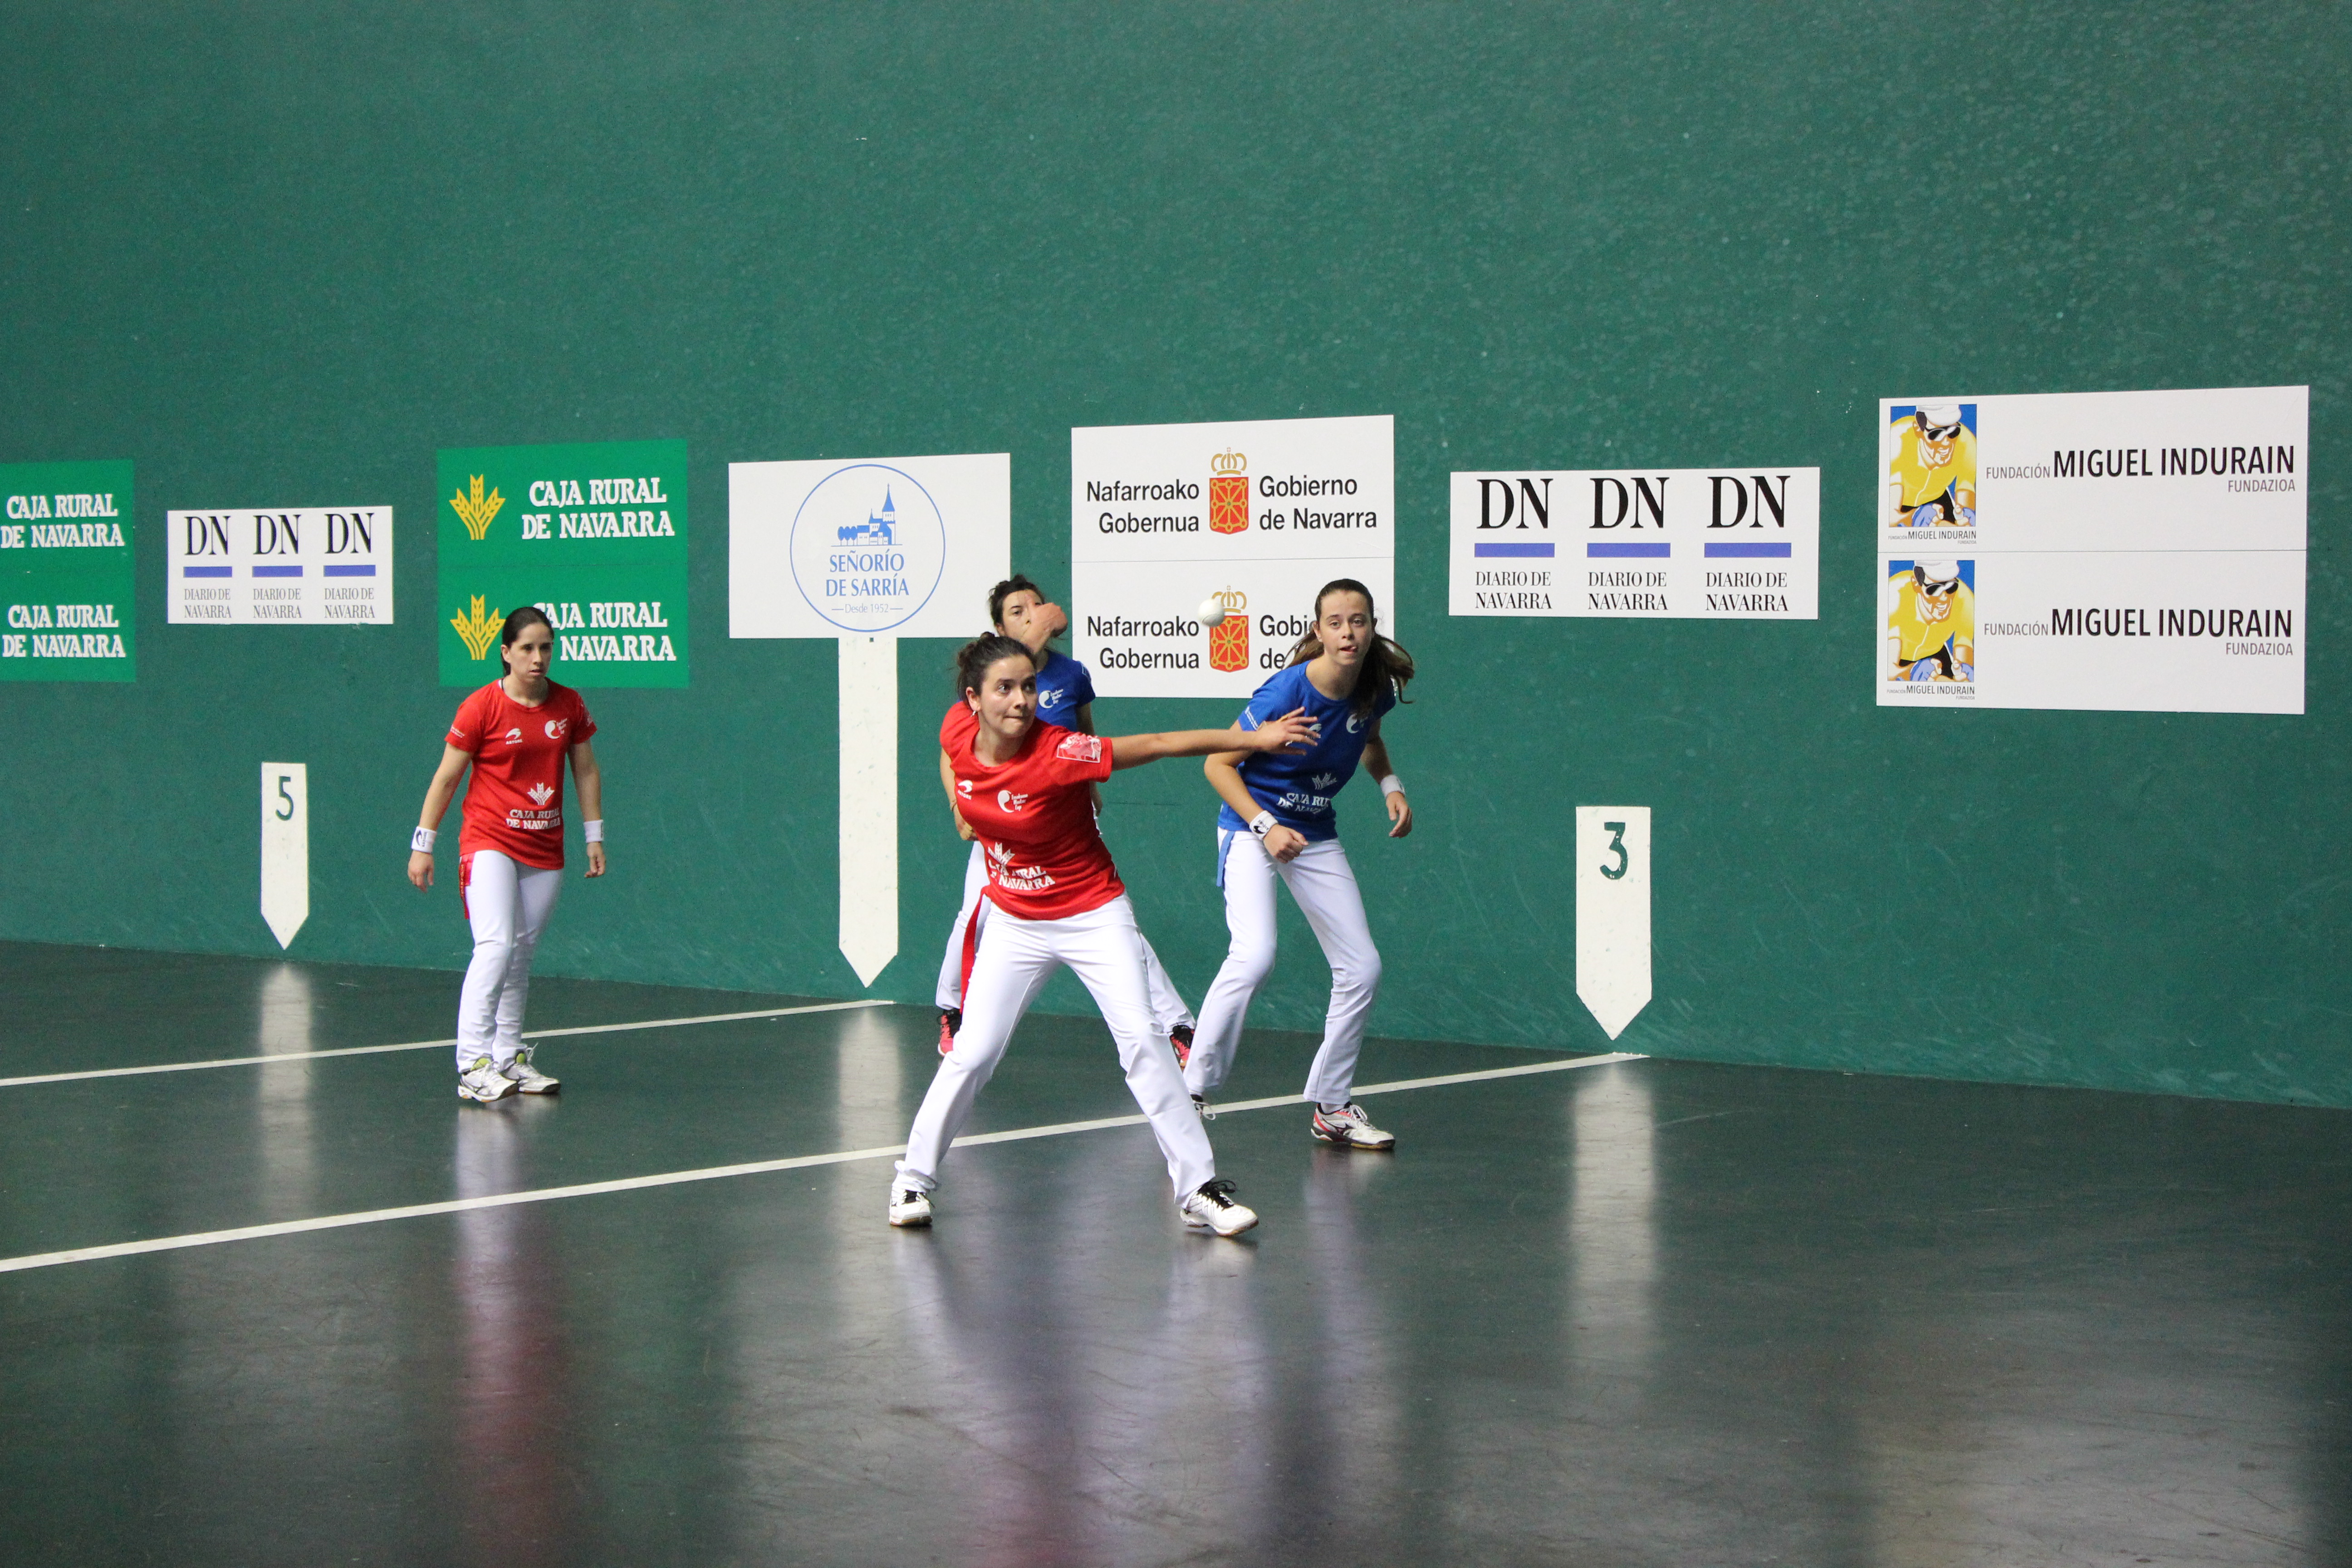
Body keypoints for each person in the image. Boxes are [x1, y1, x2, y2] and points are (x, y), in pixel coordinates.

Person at [890, 633, 1316, 1237]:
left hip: (1093, 914)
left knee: (1143, 1040)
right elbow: (953, 762)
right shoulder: (957, 730)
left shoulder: (1060, 749)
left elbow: (1163, 743)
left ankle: (1198, 1189)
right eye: (1005, 689)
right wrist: (961, 808)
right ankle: (912, 1179)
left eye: (1029, 687)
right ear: (974, 699)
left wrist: (1255, 738)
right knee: (973, 1051)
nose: (1020, 701)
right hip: (1016, 922)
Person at [1184, 578, 1415, 1149]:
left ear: (1371, 628)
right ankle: (1189, 1091)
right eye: (1335, 622)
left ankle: (1332, 1106)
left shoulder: (1373, 687)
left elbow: (1370, 740)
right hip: (1249, 825)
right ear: (1318, 631)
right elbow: (1217, 766)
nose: (1348, 632)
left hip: (1314, 831)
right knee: (1255, 954)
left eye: (1358, 621)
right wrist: (1265, 827)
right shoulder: (1285, 692)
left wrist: (1390, 783)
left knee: (1362, 967)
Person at [933, 575, 1196, 1061]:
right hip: (1001, 827)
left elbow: (1087, 735)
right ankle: (953, 1010)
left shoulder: (1071, 674)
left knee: (1118, 927)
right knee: (974, 914)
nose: (1034, 615)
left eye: (1038, 606)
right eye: (1018, 612)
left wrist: (1091, 789)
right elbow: (955, 747)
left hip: (1064, 827)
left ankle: (1177, 1024)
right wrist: (957, 805)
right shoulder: (993, 682)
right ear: (998, 629)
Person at [408, 606, 606, 1103]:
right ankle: (472, 1063)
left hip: (546, 844)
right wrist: (423, 844)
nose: (538, 658)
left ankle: (507, 1058)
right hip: (488, 839)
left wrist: (594, 834)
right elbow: (447, 777)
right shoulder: (481, 708)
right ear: (506, 653)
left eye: (546, 648)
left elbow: (585, 771)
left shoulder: (568, 705)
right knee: (495, 945)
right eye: (527, 649)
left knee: (521, 954)